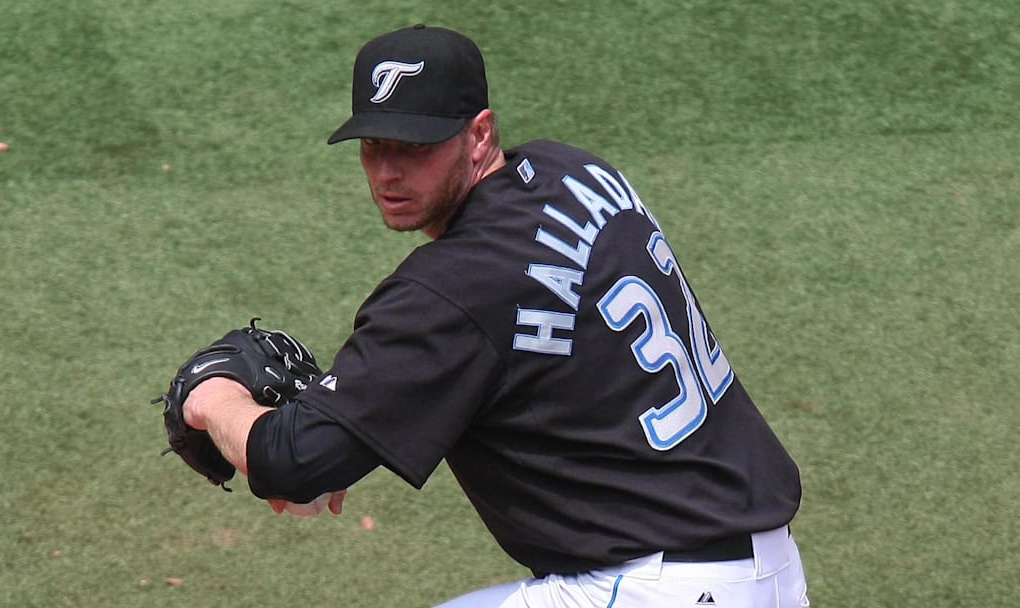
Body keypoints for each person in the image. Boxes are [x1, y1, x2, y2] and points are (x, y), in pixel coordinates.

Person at [183, 24, 811, 607]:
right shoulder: (578, 173)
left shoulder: (450, 291)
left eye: (415, 146)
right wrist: (352, 425)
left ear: (479, 134)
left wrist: (212, 398)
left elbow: (290, 464)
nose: (387, 171)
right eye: (373, 145)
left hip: (655, 586)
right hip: (766, 571)